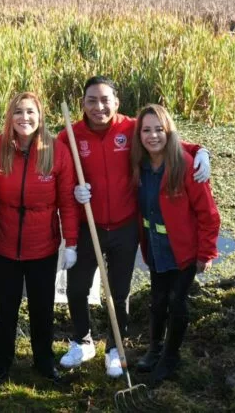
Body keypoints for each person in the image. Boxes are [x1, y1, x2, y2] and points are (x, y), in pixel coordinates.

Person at [57, 76, 211, 378]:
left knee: (120, 289)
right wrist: (75, 190)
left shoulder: (131, 128)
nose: (99, 107)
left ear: (117, 101)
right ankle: (82, 341)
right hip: (89, 225)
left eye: (105, 100)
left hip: (126, 226)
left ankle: (115, 348)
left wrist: (201, 149)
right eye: (91, 101)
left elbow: (165, 138)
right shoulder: (70, 136)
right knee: (76, 287)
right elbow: (57, 171)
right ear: (83, 104)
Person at [0, 92, 80, 384]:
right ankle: (2, 361)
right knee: (5, 306)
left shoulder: (57, 151)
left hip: (43, 245)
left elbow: (67, 201)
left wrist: (72, 243)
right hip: (3, 243)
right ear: (9, 116)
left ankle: (43, 359)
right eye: (18, 112)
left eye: (31, 113)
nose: (24, 118)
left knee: (42, 306)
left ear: (40, 118)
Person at [130, 104, 220, 385]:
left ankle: (171, 356)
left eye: (159, 129)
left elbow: (209, 215)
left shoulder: (184, 165)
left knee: (175, 301)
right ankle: (154, 349)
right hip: (155, 248)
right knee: (157, 301)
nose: (153, 135)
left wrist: (206, 253)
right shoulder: (139, 166)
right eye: (146, 130)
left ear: (169, 132)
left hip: (183, 250)